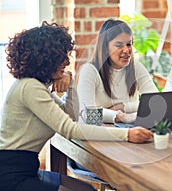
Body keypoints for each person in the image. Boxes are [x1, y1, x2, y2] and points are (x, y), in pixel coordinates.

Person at [0, 21, 153, 191]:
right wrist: (126, 133)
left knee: (88, 189)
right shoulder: (30, 88)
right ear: (45, 60)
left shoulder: (38, 87)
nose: (66, 62)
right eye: (61, 57)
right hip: (10, 174)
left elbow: (70, 114)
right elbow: (73, 126)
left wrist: (71, 83)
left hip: (26, 168)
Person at [77, 19, 158, 124]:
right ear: (105, 47)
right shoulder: (89, 70)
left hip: (130, 131)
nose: (126, 50)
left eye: (129, 44)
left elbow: (156, 102)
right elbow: (85, 114)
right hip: (100, 133)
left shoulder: (136, 67)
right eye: (119, 45)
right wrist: (120, 117)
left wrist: (123, 107)